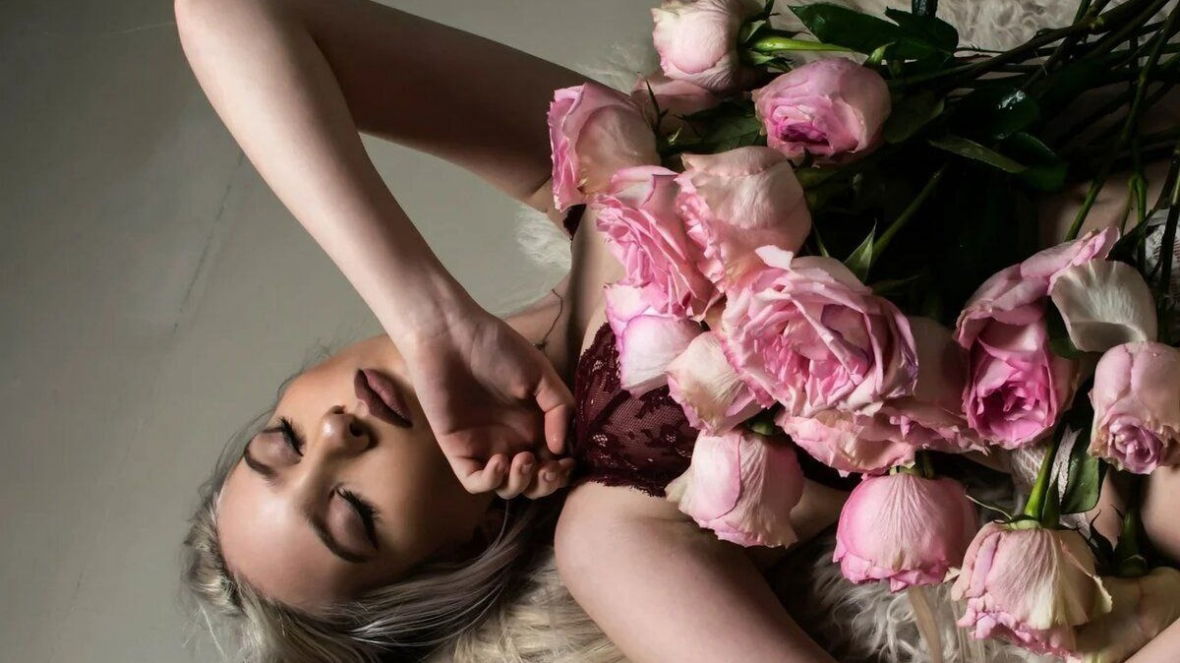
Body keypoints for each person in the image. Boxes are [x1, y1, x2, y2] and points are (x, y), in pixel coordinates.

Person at [174, 1, 1180, 662]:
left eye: (283, 440)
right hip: (1146, 390)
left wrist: (426, 311)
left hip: (1140, 156)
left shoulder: (577, 173)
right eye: (351, 512)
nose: (336, 437)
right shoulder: (613, 534)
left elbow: (233, 13)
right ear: (462, 544)